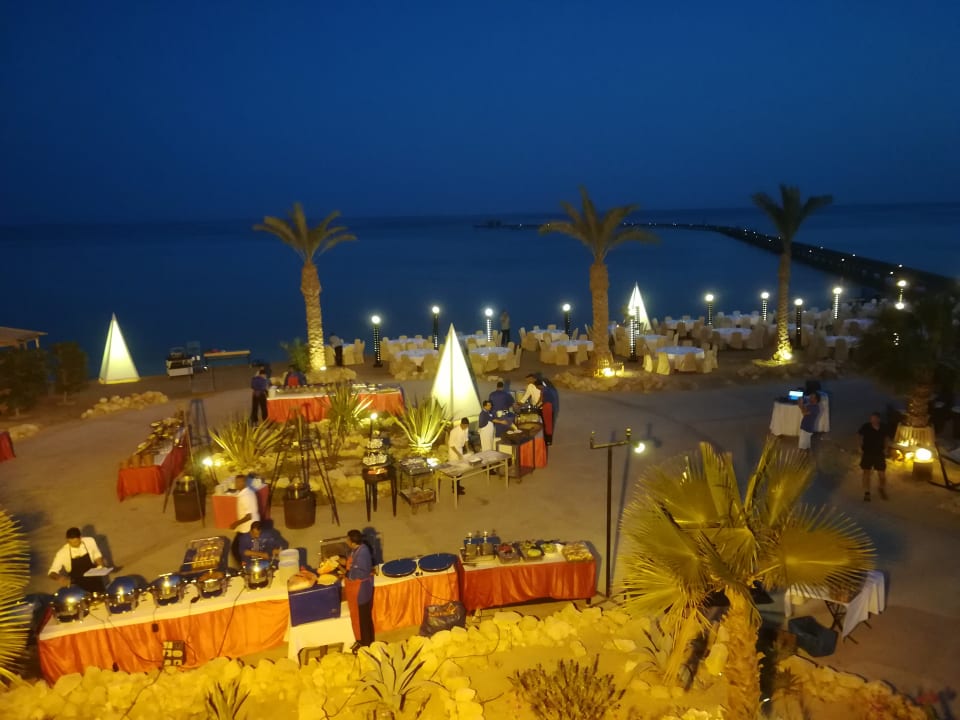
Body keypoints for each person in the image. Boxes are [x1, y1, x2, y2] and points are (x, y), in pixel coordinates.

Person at [341, 529, 375, 652]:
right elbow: (352, 563)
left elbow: (360, 573)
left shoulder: (362, 553)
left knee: (363, 619)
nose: (346, 541)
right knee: (358, 618)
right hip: (356, 590)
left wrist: (345, 572)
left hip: (361, 591)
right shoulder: (357, 549)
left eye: (348, 539)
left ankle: (366, 645)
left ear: (353, 542)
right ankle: (360, 640)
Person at [48, 527, 107, 594]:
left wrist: (100, 566)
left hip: (95, 581)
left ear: (80, 538)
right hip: (78, 587)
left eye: (76, 542)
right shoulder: (62, 553)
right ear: (67, 540)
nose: (74, 544)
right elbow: (51, 572)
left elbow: (96, 554)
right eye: (70, 542)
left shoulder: (89, 541)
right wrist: (60, 578)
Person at [858, 412, 888, 501]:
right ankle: (867, 492)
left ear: (878, 419)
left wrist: (886, 448)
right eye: (871, 418)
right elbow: (859, 436)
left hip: (879, 453)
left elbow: (886, 438)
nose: (872, 420)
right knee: (866, 472)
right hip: (868, 453)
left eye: (874, 418)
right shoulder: (866, 426)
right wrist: (859, 446)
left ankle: (881, 488)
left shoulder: (883, 427)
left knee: (882, 474)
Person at [230, 475, 260, 564]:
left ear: (244, 483)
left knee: (236, 549)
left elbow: (249, 516)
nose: (236, 484)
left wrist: (236, 523)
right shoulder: (247, 492)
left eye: (238, 482)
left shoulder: (245, 496)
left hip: (247, 527)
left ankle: (243, 566)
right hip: (248, 526)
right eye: (236, 482)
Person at [447, 417, 471, 495]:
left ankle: (458, 485)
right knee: (455, 471)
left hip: (460, 449)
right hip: (454, 452)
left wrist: (468, 449)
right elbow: (451, 445)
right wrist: (458, 454)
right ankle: (454, 489)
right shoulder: (454, 431)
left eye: (467, 426)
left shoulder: (466, 429)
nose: (466, 428)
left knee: (460, 470)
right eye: (465, 426)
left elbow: (466, 439)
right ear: (462, 424)